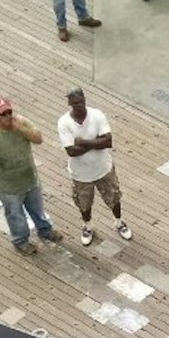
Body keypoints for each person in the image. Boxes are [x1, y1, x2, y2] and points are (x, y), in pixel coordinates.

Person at [0, 98, 60, 254]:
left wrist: (20, 128)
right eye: (3, 114)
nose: (8, 116)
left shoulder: (21, 122)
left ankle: (45, 231)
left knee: (37, 208)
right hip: (8, 186)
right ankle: (20, 241)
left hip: (30, 178)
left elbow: (38, 139)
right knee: (15, 216)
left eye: (9, 112)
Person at [57, 88, 131, 247]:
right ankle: (87, 226)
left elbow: (108, 141)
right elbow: (71, 151)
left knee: (114, 197)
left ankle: (119, 221)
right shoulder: (63, 123)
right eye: (75, 103)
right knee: (84, 203)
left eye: (81, 101)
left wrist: (83, 142)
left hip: (104, 169)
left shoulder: (97, 115)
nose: (79, 105)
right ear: (69, 104)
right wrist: (96, 142)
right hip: (80, 174)